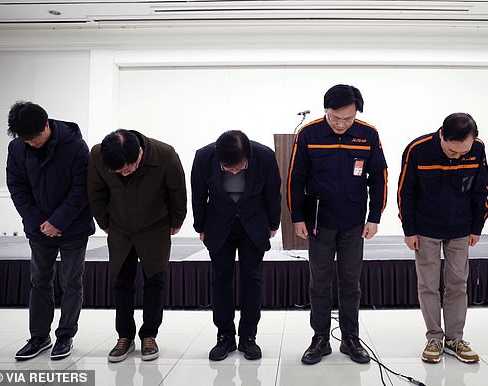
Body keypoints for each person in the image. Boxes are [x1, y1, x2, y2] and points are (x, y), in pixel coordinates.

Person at [287, 84, 388, 365]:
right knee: (319, 281)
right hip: (319, 220)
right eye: (335, 118)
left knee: (350, 282)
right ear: (325, 111)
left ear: (357, 113)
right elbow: (295, 177)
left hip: (354, 221)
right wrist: (297, 217)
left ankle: (350, 338)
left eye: (348, 119)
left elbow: (379, 177)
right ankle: (320, 338)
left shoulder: (368, 134)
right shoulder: (309, 134)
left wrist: (375, 217)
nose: (342, 124)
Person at [87, 129, 186, 362]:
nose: (124, 172)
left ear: (140, 152)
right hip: (120, 228)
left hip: (155, 226)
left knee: (154, 281)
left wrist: (176, 221)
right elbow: (95, 192)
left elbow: (178, 192)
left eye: (128, 167)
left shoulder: (165, 155)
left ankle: (149, 334)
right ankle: (124, 336)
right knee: (122, 282)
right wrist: (104, 223)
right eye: (118, 170)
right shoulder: (97, 156)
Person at [397, 112, 488, 364]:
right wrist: (409, 230)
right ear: (441, 135)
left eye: (463, 152)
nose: (457, 156)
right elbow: (406, 191)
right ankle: (434, 337)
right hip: (425, 228)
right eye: (452, 151)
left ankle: (455, 339)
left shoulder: (477, 149)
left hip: (461, 227)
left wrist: (477, 226)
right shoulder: (417, 150)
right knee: (428, 284)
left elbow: (481, 187)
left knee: (458, 282)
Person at [6, 101, 95, 361]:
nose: (32, 143)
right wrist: (38, 222)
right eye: (26, 140)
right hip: (38, 229)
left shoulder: (76, 147)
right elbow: (16, 186)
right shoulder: (17, 148)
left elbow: (81, 189)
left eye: (35, 138)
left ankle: (65, 335)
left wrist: (58, 222)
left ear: (46, 125)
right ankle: (39, 337)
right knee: (39, 281)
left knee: (70, 282)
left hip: (73, 227)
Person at [191, 130, 281, 361]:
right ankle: (225, 337)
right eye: (227, 169)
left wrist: (273, 223)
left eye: (238, 168)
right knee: (220, 280)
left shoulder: (265, 156)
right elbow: (198, 194)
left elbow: (273, 192)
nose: (233, 172)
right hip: (219, 225)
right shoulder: (203, 157)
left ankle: (248, 337)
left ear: (248, 158)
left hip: (253, 225)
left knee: (253, 279)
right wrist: (200, 225)